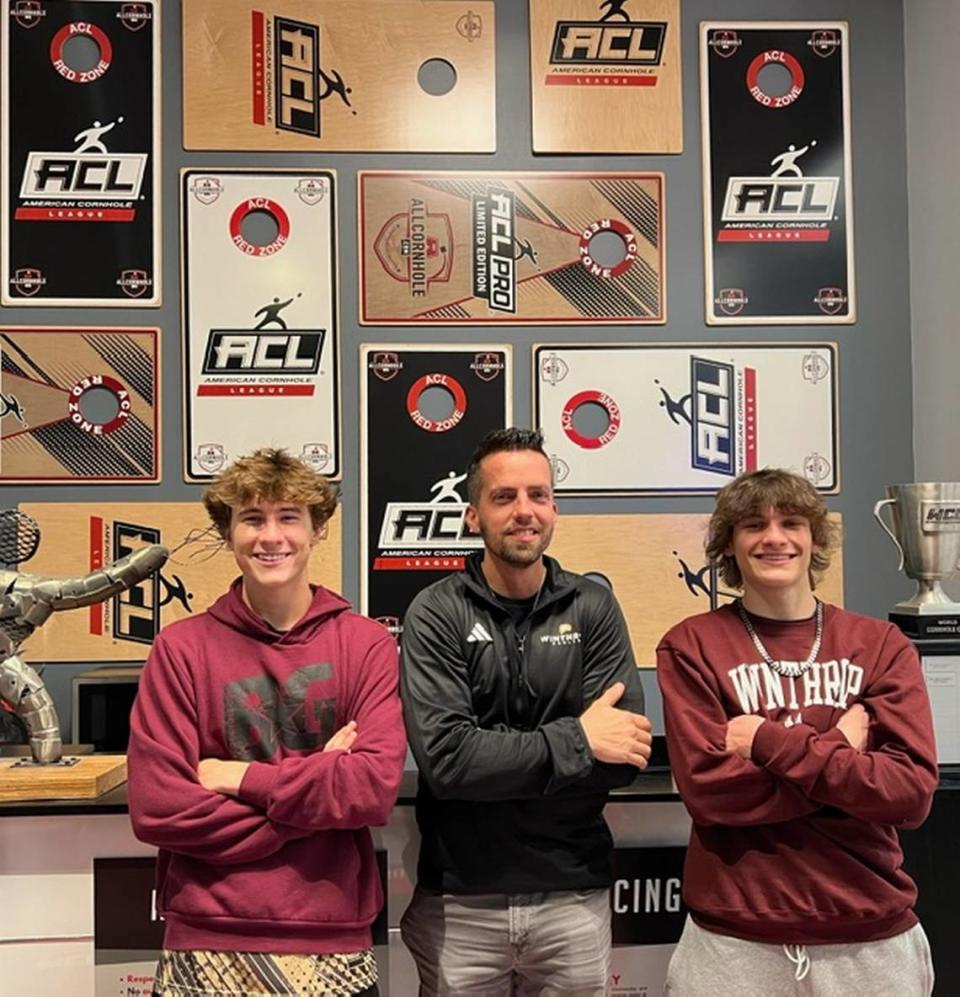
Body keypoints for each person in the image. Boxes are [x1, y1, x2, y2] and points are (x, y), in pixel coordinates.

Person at [128, 449, 406, 997]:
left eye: (288, 517)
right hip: (204, 938)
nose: (269, 536)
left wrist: (241, 778)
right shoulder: (180, 650)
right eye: (252, 519)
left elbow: (370, 791)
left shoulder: (366, 644)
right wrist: (320, 784)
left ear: (318, 528)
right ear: (228, 532)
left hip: (332, 939)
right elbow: (159, 809)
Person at [657, 468, 938, 995]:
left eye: (791, 523)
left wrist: (766, 744)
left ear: (814, 539)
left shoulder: (880, 646)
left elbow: (909, 795)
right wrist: (839, 749)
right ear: (730, 545)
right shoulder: (691, 646)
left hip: (869, 936)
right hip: (735, 942)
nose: (774, 538)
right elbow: (714, 795)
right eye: (752, 526)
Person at [400, 427, 652, 995]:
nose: (524, 511)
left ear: (554, 509)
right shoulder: (435, 612)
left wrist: (504, 756)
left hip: (573, 898)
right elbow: (449, 763)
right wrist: (579, 740)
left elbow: (626, 754)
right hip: (460, 901)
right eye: (504, 497)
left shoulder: (592, 606)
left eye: (538, 495)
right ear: (472, 516)